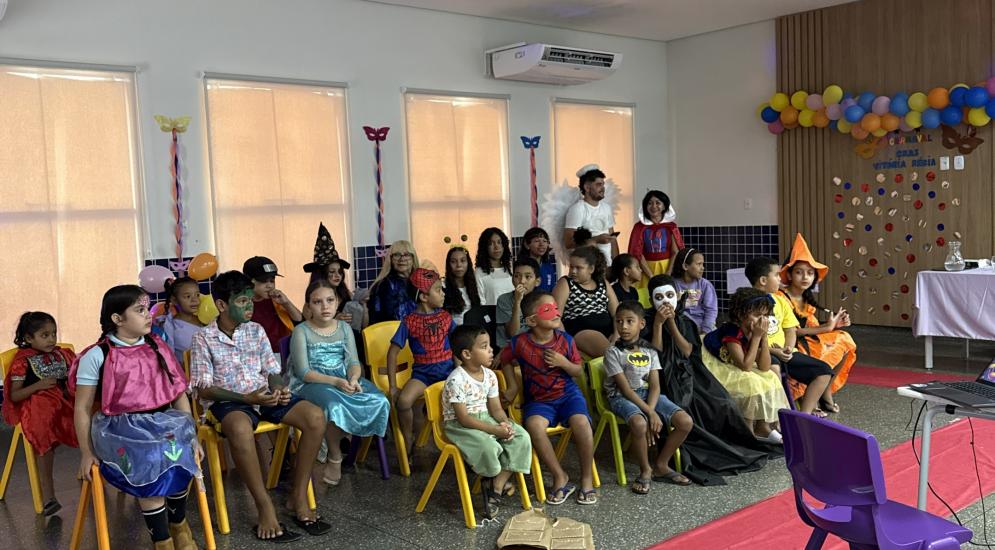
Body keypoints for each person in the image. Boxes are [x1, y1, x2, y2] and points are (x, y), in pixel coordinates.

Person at [189, 271, 330, 542]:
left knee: (314, 417)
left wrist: (277, 388)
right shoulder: (203, 338)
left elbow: (271, 370)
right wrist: (247, 399)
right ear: (221, 305)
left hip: (263, 396)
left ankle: (298, 496)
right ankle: (264, 507)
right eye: (242, 301)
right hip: (229, 401)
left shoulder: (256, 330)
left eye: (250, 301)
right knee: (240, 429)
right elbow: (204, 389)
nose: (249, 307)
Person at [70, 286, 201, 549]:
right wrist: (86, 452)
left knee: (179, 453)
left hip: (163, 422)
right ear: (117, 319)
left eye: (147, 309)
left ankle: (179, 525)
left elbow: (178, 395)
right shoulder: (98, 355)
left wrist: (191, 436)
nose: (148, 315)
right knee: (150, 459)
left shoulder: (158, 346)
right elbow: (82, 408)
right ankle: (162, 541)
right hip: (120, 429)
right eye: (140, 310)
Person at [647, 275, 780, 486]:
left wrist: (671, 323)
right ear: (650, 299)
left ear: (677, 296)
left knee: (722, 401)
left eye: (670, 295)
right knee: (694, 404)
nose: (665, 302)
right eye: (659, 297)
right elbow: (655, 355)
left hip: (690, 372)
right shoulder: (646, 320)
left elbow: (687, 351)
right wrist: (658, 324)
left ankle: (743, 437)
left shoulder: (685, 322)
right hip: (661, 376)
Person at [500, 292, 597, 505]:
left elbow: (578, 371)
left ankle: (587, 478)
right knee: (534, 426)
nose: (556, 312)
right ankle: (559, 475)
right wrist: (512, 385)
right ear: (532, 321)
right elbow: (504, 359)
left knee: (582, 423)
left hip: (568, 395)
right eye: (548, 309)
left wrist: (563, 362)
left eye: (556, 307)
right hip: (539, 401)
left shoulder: (566, 340)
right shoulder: (520, 343)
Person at [290, 280, 389, 487]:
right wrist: (335, 381)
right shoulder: (301, 331)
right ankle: (335, 455)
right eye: (317, 302)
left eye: (330, 300)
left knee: (379, 399)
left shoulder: (344, 327)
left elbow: (353, 362)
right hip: (312, 382)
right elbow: (303, 372)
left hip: (343, 377)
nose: (325, 307)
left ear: (337, 302)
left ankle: (356, 448)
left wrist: (353, 378)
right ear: (308, 306)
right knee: (333, 404)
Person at [603, 301, 692, 494]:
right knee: (639, 423)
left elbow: (655, 385)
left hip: (648, 395)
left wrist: (650, 410)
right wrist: (650, 414)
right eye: (619, 321)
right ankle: (645, 470)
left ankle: (661, 465)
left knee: (685, 422)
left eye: (630, 321)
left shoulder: (649, 350)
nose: (623, 326)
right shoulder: (612, 352)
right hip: (621, 397)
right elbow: (625, 390)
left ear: (641, 324)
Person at [443, 325, 531, 517]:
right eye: (484, 347)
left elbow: (496, 409)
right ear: (467, 354)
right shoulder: (456, 380)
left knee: (521, 437)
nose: (491, 350)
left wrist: (504, 423)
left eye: (490, 345)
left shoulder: (490, 375)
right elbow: (464, 419)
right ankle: (490, 477)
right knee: (488, 446)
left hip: (486, 418)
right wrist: (494, 430)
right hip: (461, 426)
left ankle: (496, 486)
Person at [2, 312, 78, 516]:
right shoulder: (22, 361)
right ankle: (49, 494)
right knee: (44, 430)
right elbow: (15, 395)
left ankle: (104, 470)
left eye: (53, 334)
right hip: (38, 410)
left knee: (91, 413)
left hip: (63, 404)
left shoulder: (62, 355)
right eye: (45, 335)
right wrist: (38, 386)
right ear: (29, 338)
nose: (51, 339)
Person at [746, 257, 833, 417]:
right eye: (777, 275)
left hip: (786, 353)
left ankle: (804, 416)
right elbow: (748, 338)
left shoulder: (780, 301)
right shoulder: (747, 304)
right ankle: (777, 417)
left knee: (824, 371)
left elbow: (790, 330)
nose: (780, 279)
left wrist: (788, 348)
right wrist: (775, 352)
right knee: (774, 368)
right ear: (763, 280)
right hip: (762, 353)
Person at [778, 234, 856, 413]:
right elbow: (790, 331)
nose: (805, 277)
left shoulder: (805, 297)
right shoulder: (781, 297)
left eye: (810, 273)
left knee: (844, 338)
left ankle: (825, 392)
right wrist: (826, 327)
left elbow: (811, 328)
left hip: (806, 340)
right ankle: (810, 400)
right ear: (789, 274)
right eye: (799, 272)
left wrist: (834, 326)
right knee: (818, 351)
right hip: (788, 343)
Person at [701, 287, 790, 443]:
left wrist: (763, 338)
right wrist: (756, 337)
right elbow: (745, 366)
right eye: (757, 315)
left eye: (765, 316)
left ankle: (763, 427)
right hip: (717, 364)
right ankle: (747, 429)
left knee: (771, 377)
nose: (762, 320)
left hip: (738, 362)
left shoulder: (754, 330)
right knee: (750, 383)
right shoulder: (732, 332)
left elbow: (764, 367)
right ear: (740, 314)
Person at [386, 268, 456, 455]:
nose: (443, 293)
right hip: (422, 375)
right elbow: (392, 353)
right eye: (438, 290)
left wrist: (461, 371)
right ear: (424, 296)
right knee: (404, 402)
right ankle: (408, 436)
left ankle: (457, 438)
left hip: (448, 373)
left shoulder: (446, 317)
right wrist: (392, 386)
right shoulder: (409, 322)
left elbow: (457, 344)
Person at [553, 245, 618, 358]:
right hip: (581, 331)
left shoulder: (602, 283)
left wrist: (617, 335)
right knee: (613, 356)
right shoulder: (566, 283)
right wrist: (567, 344)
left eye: (578, 268)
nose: (573, 271)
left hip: (609, 331)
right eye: (571, 267)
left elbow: (617, 313)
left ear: (591, 269)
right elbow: (555, 316)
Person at [304, 222, 368, 332]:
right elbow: (310, 328)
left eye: (340, 271)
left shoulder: (346, 294)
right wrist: (334, 320)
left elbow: (364, 326)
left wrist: (364, 307)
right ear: (322, 274)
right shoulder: (311, 302)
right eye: (332, 272)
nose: (337, 275)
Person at [243, 256, 303, 352]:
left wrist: (286, 303)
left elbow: (300, 323)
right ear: (249, 281)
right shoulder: (242, 304)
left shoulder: (276, 300)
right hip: (256, 355)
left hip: (282, 352)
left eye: (272, 280)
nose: (270, 285)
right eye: (264, 281)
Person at [564, 164, 618, 265]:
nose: (603, 188)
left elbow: (613, 239)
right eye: (598, 185)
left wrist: (616, 264)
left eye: (603, 184)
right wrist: (596, 239)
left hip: (607, 265)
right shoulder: (577, 209)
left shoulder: (607, 208)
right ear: (587, 188)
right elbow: (568, 243)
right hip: (587, 267)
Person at [627, 190, 684, 285]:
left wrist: (668, 273)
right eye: (650, 203)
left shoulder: (671, 227)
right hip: (645, 269)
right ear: (645, 207)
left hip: (667, 268)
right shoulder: (639, 227)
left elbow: (675, 252)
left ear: (664, 206)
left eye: (658, 203)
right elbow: (637, 253)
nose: (654, 206)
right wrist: (650, 276)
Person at [369, 240, 418, 325]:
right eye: (397, 255)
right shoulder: (383, 285)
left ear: (413, 259)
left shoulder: (421, 282)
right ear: (390, 259)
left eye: (407, 254)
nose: (402, 259)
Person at [496, 258, 541, 350]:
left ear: (537, 282)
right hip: (511, 348)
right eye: (517, 276)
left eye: (528, 277)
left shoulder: (542, 299)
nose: (522, 281)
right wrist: (517, 302)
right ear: (512, 280)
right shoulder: (504, 300)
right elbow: (513, 334)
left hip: (535, 346)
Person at [671, 248, 718, 334]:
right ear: (685, 266)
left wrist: (705, 330)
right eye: (699, 264)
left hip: (702, 326)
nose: (702, 268)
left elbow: (711, 311)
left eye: (703, 264)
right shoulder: (672, 285)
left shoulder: (705, 285)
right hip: (680, 327)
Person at [156, 277, 205, 359]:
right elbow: (169, 358)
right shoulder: (171, 326)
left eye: (197, 295)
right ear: (174, 300)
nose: (195, 300)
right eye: (188, 296)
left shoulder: (204, 319)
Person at [442, 243, 484, 325]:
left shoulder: (475, 285)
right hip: (454, 330)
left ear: (468, 263)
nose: (459, 265)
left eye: (463, 260)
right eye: (453, 261)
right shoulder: (443, 287)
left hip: (474, 330)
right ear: (448, 264)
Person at [475, 227, 515, 306]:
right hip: (491, 313)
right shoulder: (479, 272)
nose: (496, 247)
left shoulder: (510, 270)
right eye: (491, 243)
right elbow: (481, 302)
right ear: (485, 247)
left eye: (499, 242)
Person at [519, 227, 558, 292]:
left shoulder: (548, 265)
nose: (541, 244)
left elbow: (552, 289)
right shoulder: (521, 266)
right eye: (537, 241)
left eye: (544, 241)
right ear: (527, 245)